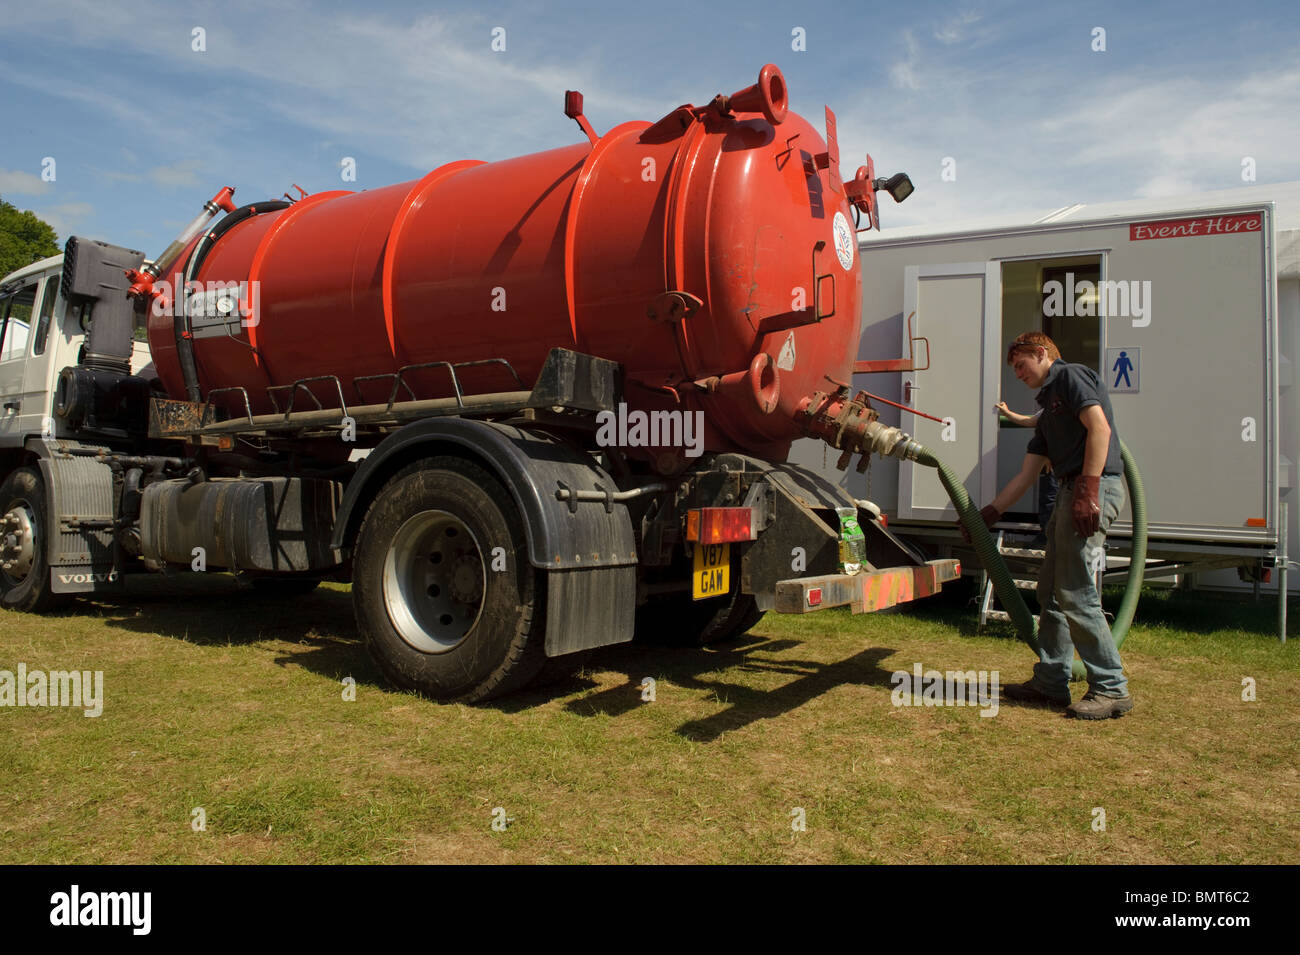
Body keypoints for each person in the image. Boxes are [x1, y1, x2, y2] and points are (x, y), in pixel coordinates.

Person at [967, 332, 1132, 719]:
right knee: (1052, 592)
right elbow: (1026, 475)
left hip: (1092, 488)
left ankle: (1111, 687)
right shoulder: (1047, 406)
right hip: (1070, 490)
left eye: (1021, 365)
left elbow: (1100, 429)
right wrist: (989, 512)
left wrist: (1088, 490)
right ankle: (1051, 681)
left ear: (1042, 354)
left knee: (1075, 590)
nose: (1019, 374)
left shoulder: (1071, 377)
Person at [995, 400, 1057, 548]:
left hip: (1059, 466)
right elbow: (1030, 421)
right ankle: (1047, 535)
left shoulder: (1066, 406)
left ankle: (1051, 537)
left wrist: (1051, 455)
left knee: (1053, 499)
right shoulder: (1047, 409)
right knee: (1048, 499)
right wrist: (1008, 413)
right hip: (1048, 465)